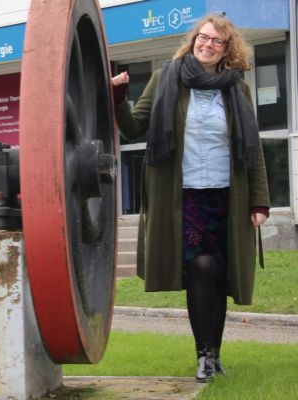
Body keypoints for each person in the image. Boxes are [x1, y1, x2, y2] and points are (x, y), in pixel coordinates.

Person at [111, 14, 270, 382]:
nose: (208, 44)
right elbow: (135, 125)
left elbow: (253, 148)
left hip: (228, 196)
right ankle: (204, 354)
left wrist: (259, 202)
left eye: (217, 41)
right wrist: (119, 97)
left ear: (227, 49)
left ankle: (214, 356)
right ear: (193, 39)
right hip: (183, 198)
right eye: (203, 37)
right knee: (201, 269)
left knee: (219, 276)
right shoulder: (166, 77)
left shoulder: (237, 89)